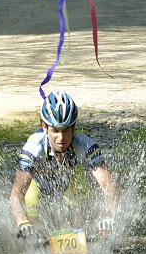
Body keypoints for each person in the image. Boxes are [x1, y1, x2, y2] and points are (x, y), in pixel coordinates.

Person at [10, 91, 118, 239]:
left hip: (72, 179)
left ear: (73, 127)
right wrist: (23, 223)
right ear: (45, 127)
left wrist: (108, 215)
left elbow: (108, 185)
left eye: (66, 130)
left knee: (83, 215)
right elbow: (16, 193)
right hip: (38, 182)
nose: (61, 138)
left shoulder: (85, 145)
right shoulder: (34, 147)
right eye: (55, 130)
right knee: (32, 232)